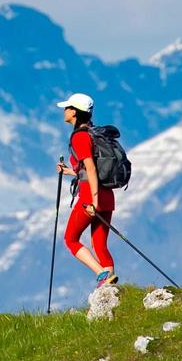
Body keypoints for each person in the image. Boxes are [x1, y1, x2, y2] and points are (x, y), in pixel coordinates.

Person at [55, 92, 117, 289]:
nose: (64, 111)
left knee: (71, 239)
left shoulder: (79, 137)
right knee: (100, 245)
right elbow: (88, 170)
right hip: (107, 195)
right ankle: (110, 287)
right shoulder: (94, 133)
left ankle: (101, 274)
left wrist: (94, 202)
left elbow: (90, 167)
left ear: (74, 112)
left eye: (67, 108)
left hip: (91, 198)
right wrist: (71, 171)